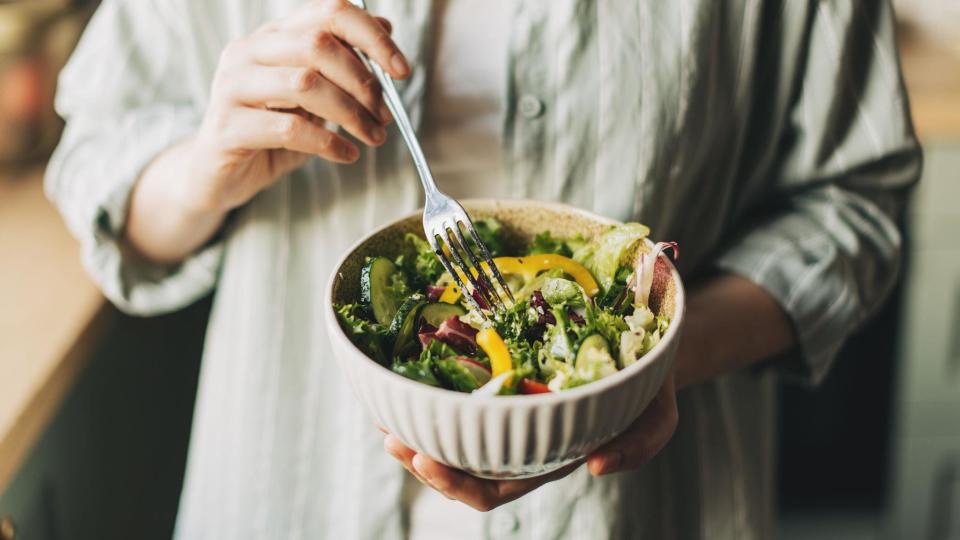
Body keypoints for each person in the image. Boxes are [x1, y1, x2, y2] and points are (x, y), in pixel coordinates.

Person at [46, 0, 920, 538]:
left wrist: (652, 364)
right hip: (286, 486)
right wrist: (211, 164)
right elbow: (98, 162)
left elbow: (856, 204)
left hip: (645, 509)